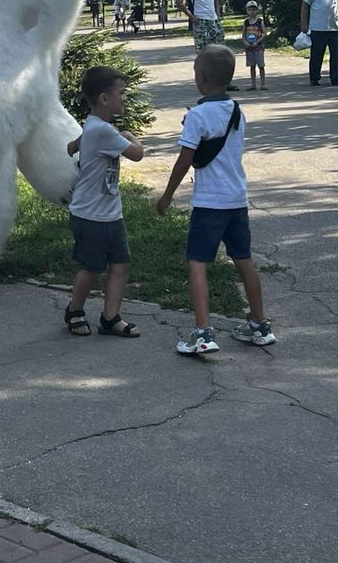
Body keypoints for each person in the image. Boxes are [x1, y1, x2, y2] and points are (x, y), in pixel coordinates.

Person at [156, 45, 275, 355]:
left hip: (210, 203)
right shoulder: (237, 110)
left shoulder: (197, 116)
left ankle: (202, 332)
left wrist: (168, 195)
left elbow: (185, 160)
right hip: (236, 198)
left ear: (200, 78)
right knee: (244, 260)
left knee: (197, 262)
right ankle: (260, 324)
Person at [63, 66, 144, 338]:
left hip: (110, 213)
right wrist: (131, 136)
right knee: (92, 267)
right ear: (104, 99)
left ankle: (110, 317)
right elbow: (137, 154)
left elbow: (74, 144)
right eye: (121, 93)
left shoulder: (96, 128)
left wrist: (76, 145)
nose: (124, 98)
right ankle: (74, 310)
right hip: (90, 215)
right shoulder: (104, 132)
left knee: (120, 264)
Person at [176, 0, 238, 90]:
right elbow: (179, 1)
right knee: (203, 54)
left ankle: (224, 83)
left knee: (221, 53)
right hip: (202, 22)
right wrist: (191, 17)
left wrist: (217, 14)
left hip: (213, 21)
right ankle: (204, 83)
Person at [242, 0, 268, 91]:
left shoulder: (260, 21)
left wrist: (258, 41)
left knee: (261, 66)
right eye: (249, 9)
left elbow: (264, 33)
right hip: (249, 47)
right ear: (247, 11)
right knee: (252, 66)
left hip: (258, 47)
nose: (252, 12)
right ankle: (253, 84)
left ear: (257, 10)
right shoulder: (246, 22)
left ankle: (263, 84)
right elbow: (243, 34)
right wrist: (245, 42)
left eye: (253, 9)